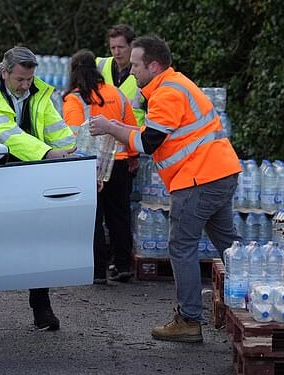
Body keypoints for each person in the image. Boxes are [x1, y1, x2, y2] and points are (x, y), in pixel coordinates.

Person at [89, 35, 242, 343]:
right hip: (218, 173)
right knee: (229, 245)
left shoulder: (167, 93)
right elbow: (151, 133)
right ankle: (257, 294)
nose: (130, 71)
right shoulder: (173, 85)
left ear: (153, 65)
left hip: (198, 179)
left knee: (181, 246)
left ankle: (188, 320)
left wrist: (111, 128)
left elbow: (148, 143)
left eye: (135, 65)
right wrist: (116, 127)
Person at [0, 46, 76, 331]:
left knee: (38, 239)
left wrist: (74, 154)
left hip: (25, 170)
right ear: (4, 72)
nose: (26, 86)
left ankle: (41, 308)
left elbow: (56, 130)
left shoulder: (37, 90)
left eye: (29, 80)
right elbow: (7, 135)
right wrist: (48, 154)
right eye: (20, 80)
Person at [62, 49, 137, 285]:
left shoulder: (74, 99)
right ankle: (123, 266)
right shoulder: (116, 93)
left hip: (90, 166)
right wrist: (133, 155)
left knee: (93, 219)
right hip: (121, 162)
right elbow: (131, 126)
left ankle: (97, 271)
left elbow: (74, 135)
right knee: (120, 216)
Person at [96, 24, 144, 280]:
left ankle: (122, 263)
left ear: (131, 47)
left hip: (128, 147)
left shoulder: (140, 73)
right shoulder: (101, 66)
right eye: (112, 47)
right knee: (103, 210)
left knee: (119, 210)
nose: (116, 52)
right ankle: (109, 261)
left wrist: (135, 153)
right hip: (101, 148)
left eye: (121, 47)